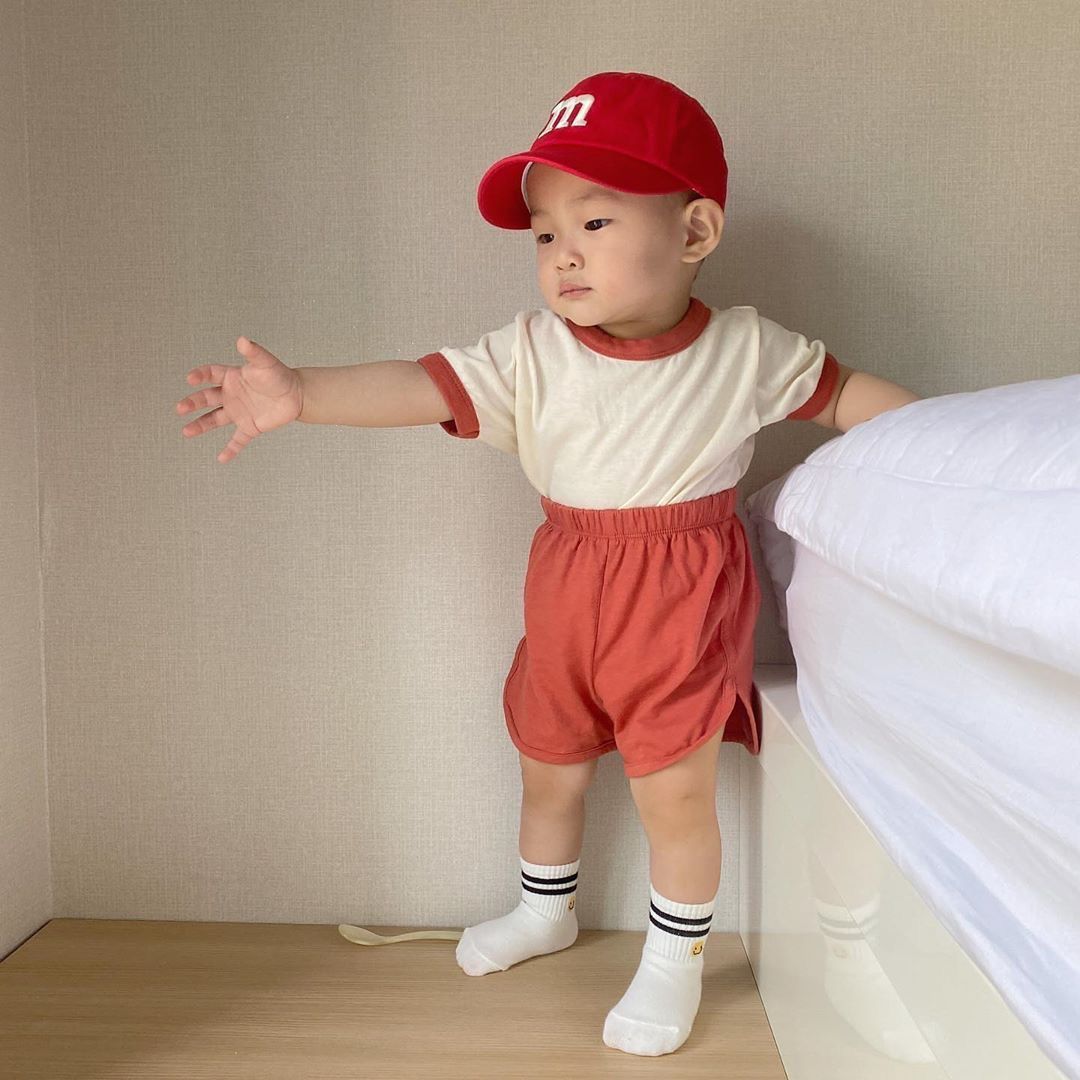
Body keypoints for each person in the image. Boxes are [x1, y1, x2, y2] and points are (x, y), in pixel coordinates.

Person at [175, 70, 920, 1057]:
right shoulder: (532, 351)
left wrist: (945, 440)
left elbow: (846, 393)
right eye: (543, 235)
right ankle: (544, 907)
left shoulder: (744, 349)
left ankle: (674, 959)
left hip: (679, 596)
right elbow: (420, 385)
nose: (563, 253)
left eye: (595, 223)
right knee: (548, 762)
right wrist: (302, 392)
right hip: (567, 580)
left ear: (695, 233)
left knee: (674, 792)